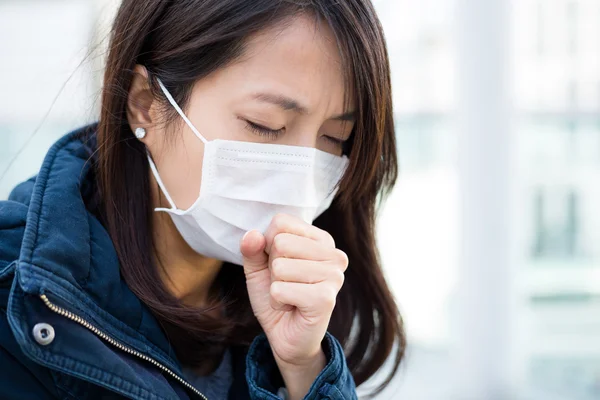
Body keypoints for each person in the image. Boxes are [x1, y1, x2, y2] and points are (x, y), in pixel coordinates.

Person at [0, 0, 405, 399]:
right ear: (145, 105)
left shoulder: (298, 310)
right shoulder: (19, 304)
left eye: (334, 139)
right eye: (265, 125)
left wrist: (303, 370)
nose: (300, 178)